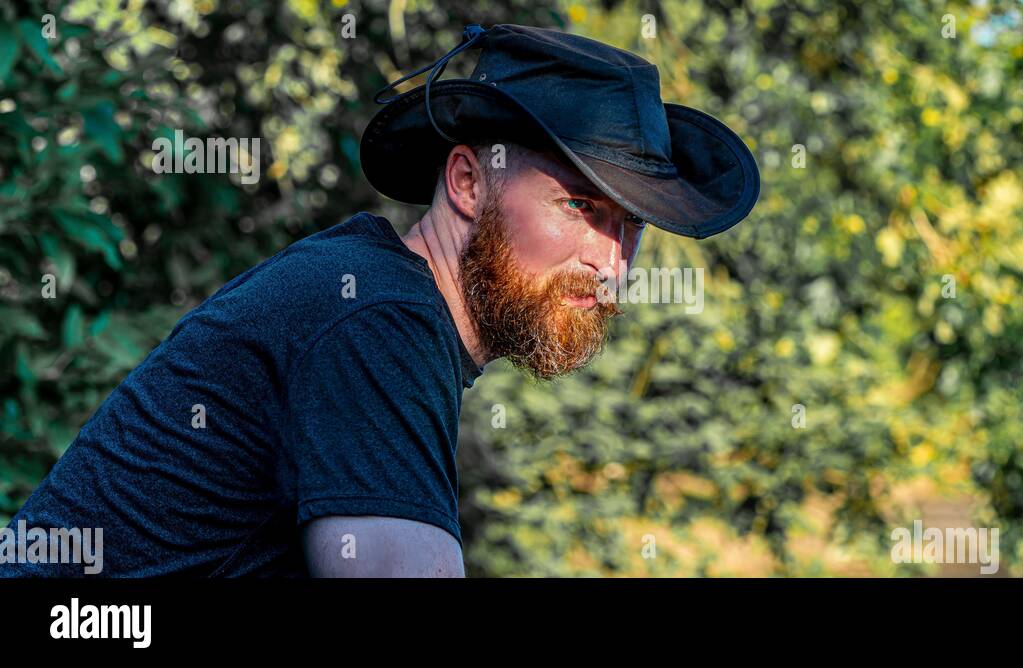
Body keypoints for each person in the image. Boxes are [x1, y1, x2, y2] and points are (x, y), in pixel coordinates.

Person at [0, 23, 759, 577]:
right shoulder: (375, 320)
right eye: (580, 208)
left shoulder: (374, 298)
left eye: (629, 227)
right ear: (467, 182)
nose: (611, 262)